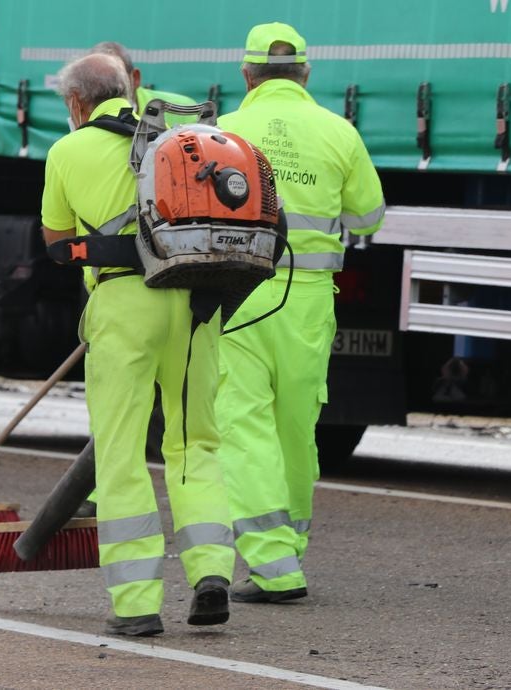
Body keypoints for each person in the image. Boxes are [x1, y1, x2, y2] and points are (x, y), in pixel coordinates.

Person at [40, 53, 235, 636]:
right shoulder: (181, 129)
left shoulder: (68, 151)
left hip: (124, 307)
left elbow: (56, 243)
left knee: (122, 453)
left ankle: (136, 603)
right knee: (193, 441)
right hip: (196, 300)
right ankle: (211, 574)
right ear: (129, 88)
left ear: (78, 103)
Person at [214, 22, 386, 603]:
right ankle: (289, 550)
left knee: (243, 424)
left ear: (247, 74)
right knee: (295, 426)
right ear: (306, 73)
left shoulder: (224, 133)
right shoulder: (339, 132)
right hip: (309, 301)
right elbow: (368, 218)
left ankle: (273, 565)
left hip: (237, 295)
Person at [91, 40, 199, 126]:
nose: (106, 90)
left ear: (135, 78)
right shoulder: (78, 110)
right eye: (94, 82)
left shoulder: (183, 111)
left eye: (114, 80)